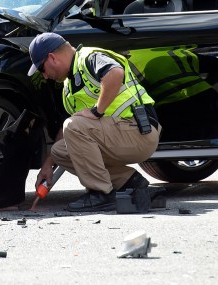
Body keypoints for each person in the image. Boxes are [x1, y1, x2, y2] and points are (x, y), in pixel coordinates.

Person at [28, 33, 161, 212]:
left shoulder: (89, 57)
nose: (44, 76)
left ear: (52, 57)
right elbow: (70, 129)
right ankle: (130, 181)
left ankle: (102, 194)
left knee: (73, 126)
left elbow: (115, 73)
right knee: (60, 151)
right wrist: (48, 163)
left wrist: (97, 111)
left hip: (139, 130)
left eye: (42, 68)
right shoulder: (68, 86)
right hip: (120, 134)